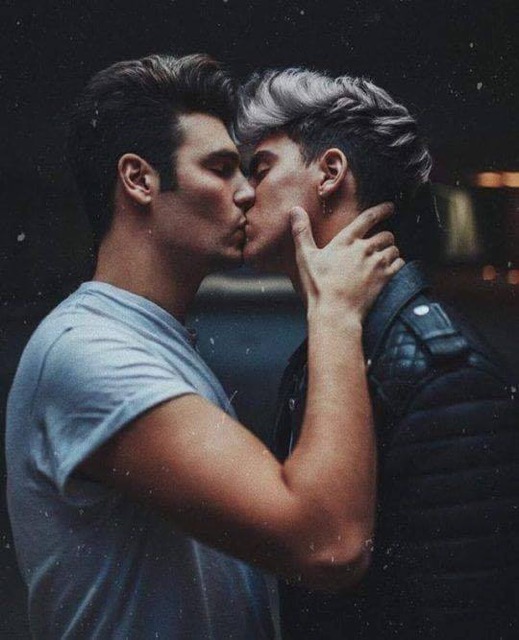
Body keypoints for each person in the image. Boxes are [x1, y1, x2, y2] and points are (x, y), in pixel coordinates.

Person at [5, 54, 402, 639]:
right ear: (139, 180)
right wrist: (335, 314)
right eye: (220, 169)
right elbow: (328, 545)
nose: (247, 192)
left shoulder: (148, 338)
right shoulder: (91, 352)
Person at [236, 68, 519, 639]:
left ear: (330, 173)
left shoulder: (442, 374)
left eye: (259, 168)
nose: (242, 192)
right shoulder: (337, 341)